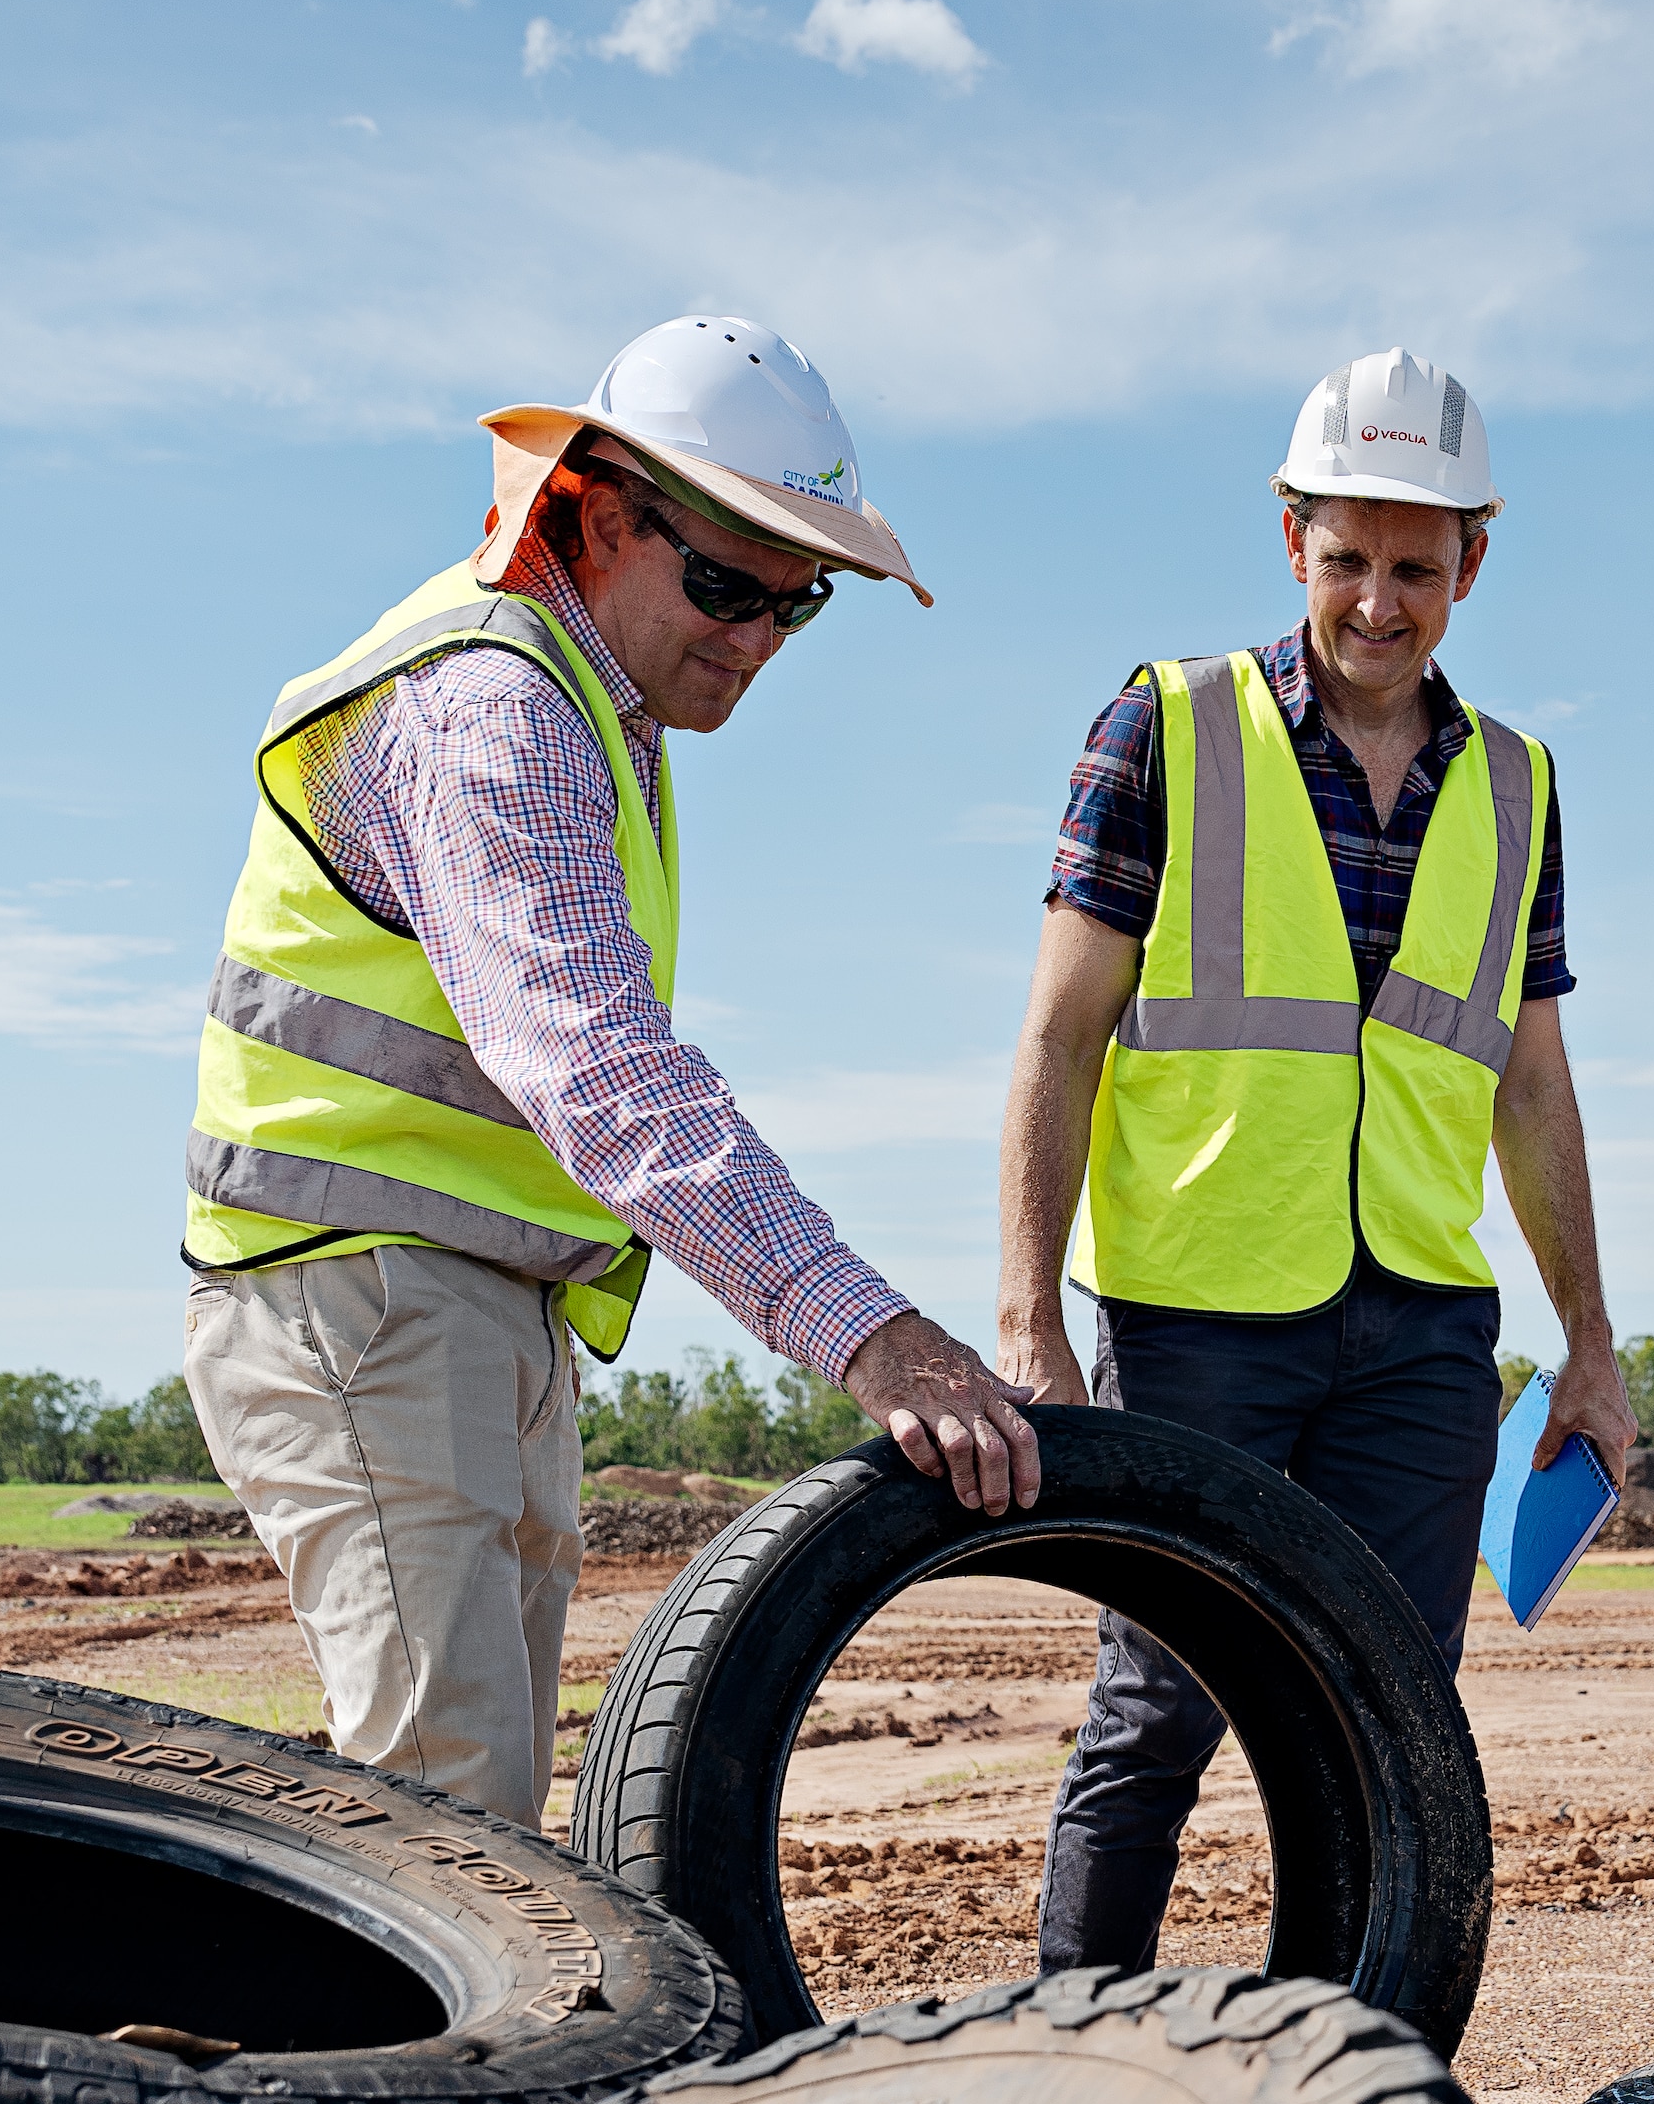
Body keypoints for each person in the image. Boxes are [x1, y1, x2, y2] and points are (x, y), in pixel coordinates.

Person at [180, 317, 1039, 1830]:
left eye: (800, 604)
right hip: (365, 1297)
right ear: (592, 509)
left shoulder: (596, 707)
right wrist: (876, 1341)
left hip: (472, 1303)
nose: (758, 640)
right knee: (447, 1830)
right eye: (724, 585)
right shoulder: (496, 707)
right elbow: (600, 1071)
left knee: (479, 1823)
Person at [994, 347, 1637, 1972]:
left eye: (1415, 565)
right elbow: (1062, 1037)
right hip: (1199, 1310)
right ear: (1292, 540)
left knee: (1391, 1723)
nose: (1377, 600)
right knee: (1157, 1714)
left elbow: (1533, 1084)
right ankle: (1076, 2061)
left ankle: (1349, 2080)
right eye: (1346, 556)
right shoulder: (1167, 727)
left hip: (1420, 1325)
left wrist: (1592, 1341)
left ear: (1470, 566)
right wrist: (1027, 1315)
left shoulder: (1518, 786)